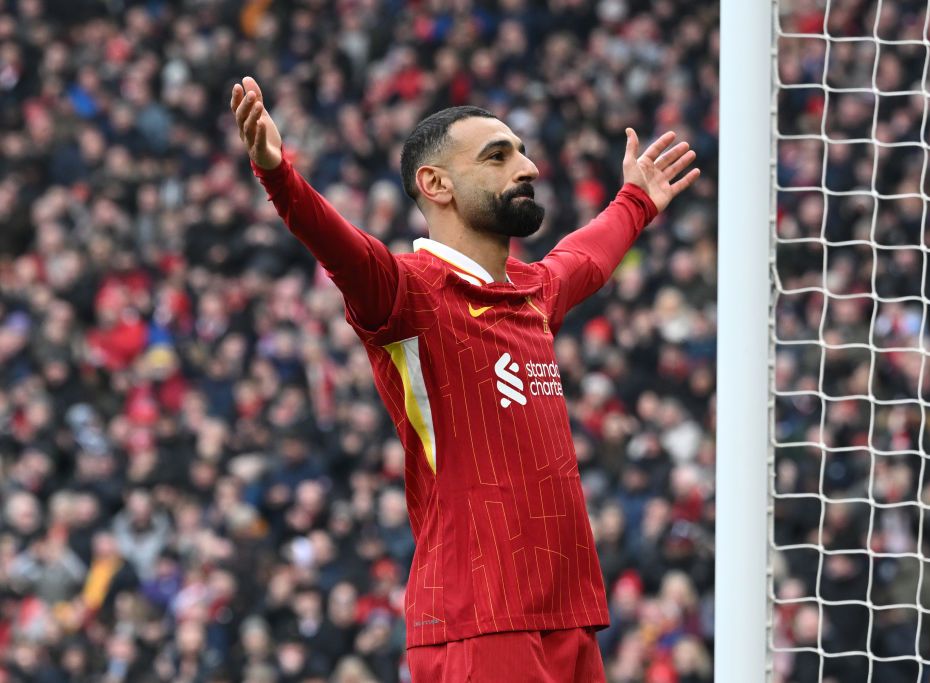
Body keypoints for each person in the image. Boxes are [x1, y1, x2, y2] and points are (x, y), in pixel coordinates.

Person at [230, 75, 699, 682]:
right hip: (478, 620)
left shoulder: (532, 291)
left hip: (569, 613)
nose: (526, 166)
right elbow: (337, 245)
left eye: (523, 151)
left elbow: (585, 257)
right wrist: (278, 173)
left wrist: (634, 202)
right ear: (435, 184)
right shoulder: (405, 293)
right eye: (498, 156)